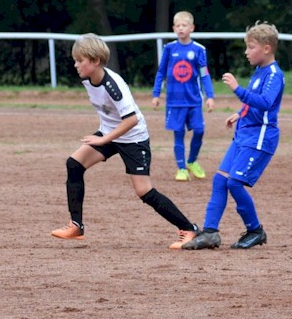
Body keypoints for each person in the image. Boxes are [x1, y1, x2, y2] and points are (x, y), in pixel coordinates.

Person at [51, 33, 200, 249]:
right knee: (74, 164)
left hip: (133, 138)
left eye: (79, 60)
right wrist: (105, 137)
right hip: (111, 133)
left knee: (144, 191)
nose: (75, 65)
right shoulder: (87, 78)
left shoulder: (113, 85)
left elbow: (131, 120)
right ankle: (76, 225)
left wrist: (103, 140)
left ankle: (189, 228)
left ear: (95, 61)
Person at [184, 21, 284, 250]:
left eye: (251, 47)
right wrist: (240, 113)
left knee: (235, 182)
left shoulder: (274, 75)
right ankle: (210, 232)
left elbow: (266, 103)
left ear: (266, 48)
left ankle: (255, 230)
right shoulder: (259, 72)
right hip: (244, 134)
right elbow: (254, 102)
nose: (247, 52)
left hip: (260, 137)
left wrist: (238, 90)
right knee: (220, 180)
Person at [152, 11, 215, 181]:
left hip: (194, 101)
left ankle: (192, 161)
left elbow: (204, 75)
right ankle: (181, 169)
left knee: (200, 130)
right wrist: (156, 94)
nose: (181, 28)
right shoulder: (169, 48)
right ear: (173, 28)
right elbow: (161, 72)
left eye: (184, 25)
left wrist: (210, 96)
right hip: (174, 102)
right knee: (178, 134)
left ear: (192, 28)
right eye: (178, 25)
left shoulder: (199, 50)